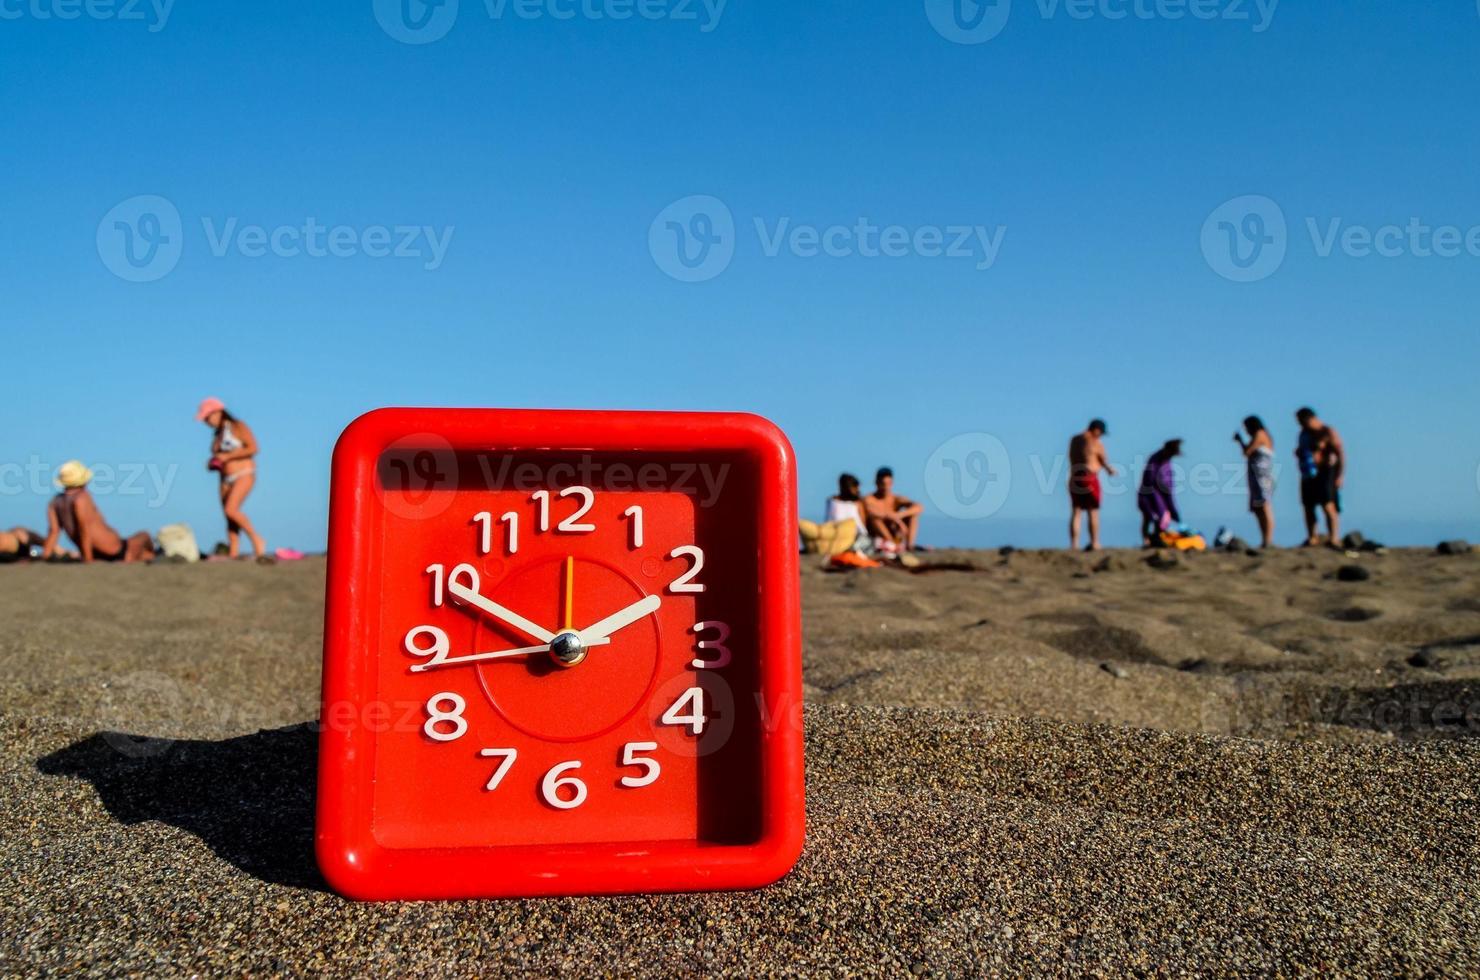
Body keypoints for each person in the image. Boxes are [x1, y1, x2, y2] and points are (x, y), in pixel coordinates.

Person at [43, 460, 155, 563]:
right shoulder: (81, 497)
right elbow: (84, 529)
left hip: (98, 553)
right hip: (115, 550)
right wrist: (88, 559)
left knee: (145, 555)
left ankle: (152, 556)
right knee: (144, 535)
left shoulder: (55, 502)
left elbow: (54, 531)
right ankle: (155, 554)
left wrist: (45, 556)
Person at [197, 397, 268, 559]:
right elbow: (218, 457)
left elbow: (253, 448)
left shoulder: (237, 426)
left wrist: (227, 457)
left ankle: (257, 539)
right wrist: (213, 463)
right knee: (228, 518)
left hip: (243, 473)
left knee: (231, 510)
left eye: (207, 417)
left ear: (218, 412)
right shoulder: (217, 436)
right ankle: (234, 551)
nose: (206, 422)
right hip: (224, 479)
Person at [1294, 407, 1344, 547]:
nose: (1300, 424)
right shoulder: (1303, 433)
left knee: (1328, 505)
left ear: (1310, 419)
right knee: (1308, 506)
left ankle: (1333, 538)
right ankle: (1312, 537)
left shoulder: (1327, 432)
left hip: (1325, 472)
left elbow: (1340, 454)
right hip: (1307, 472)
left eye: (1301, 421)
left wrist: (1340, 475)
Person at [1068, 419, 1116, 551]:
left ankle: (1074, 544)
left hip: (1074, 477)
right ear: (1096, 430)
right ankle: (1095, 542)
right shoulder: (1095, 442)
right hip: (1089, 477)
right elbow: (1102, 460)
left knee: (1076, 511)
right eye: (1101, 433)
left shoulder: (1074, 440)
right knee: (1092, 511)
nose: (1100, 436)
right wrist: (1109, 470)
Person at [799, 473, 868, 556]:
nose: (857, 491)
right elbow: (829, 522)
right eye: (855, 488)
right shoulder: (833, 501)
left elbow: (861, 529)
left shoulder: (857, 504)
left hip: (850, 537)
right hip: (836, 534)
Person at [1234, 416, 1275, 548]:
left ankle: (1268, 540)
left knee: (1264, 506)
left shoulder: (1260, 434)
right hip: (1255, 476)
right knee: (1258, 508)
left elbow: (1247, 451)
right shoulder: (1258, 436)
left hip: (1262, 477)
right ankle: (1264, 540)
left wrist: (1240, 441)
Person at [862, 467, 925, 554]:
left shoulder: (896, 499)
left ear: (892, 483)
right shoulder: (869, 499)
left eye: (888, 483)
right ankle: (892, 545)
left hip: (896, 532)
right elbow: (870, 512)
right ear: (876, 483)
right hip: (877, 534)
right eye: (883, 484)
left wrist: (900, 515)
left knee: (913, 516)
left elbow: (919, 507)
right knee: (876, 520)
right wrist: (893, 518)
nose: (886, 487)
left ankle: (910, 546)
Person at [1138, 439, 1183, 545]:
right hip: (1150, 495)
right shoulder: (1155, 460)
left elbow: (1166, 483)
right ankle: (1148, 540)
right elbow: (1151, 479)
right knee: (1149, 517)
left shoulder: (1165, 461)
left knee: (1161, 518)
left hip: (1160, 496)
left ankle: (1157, 538)